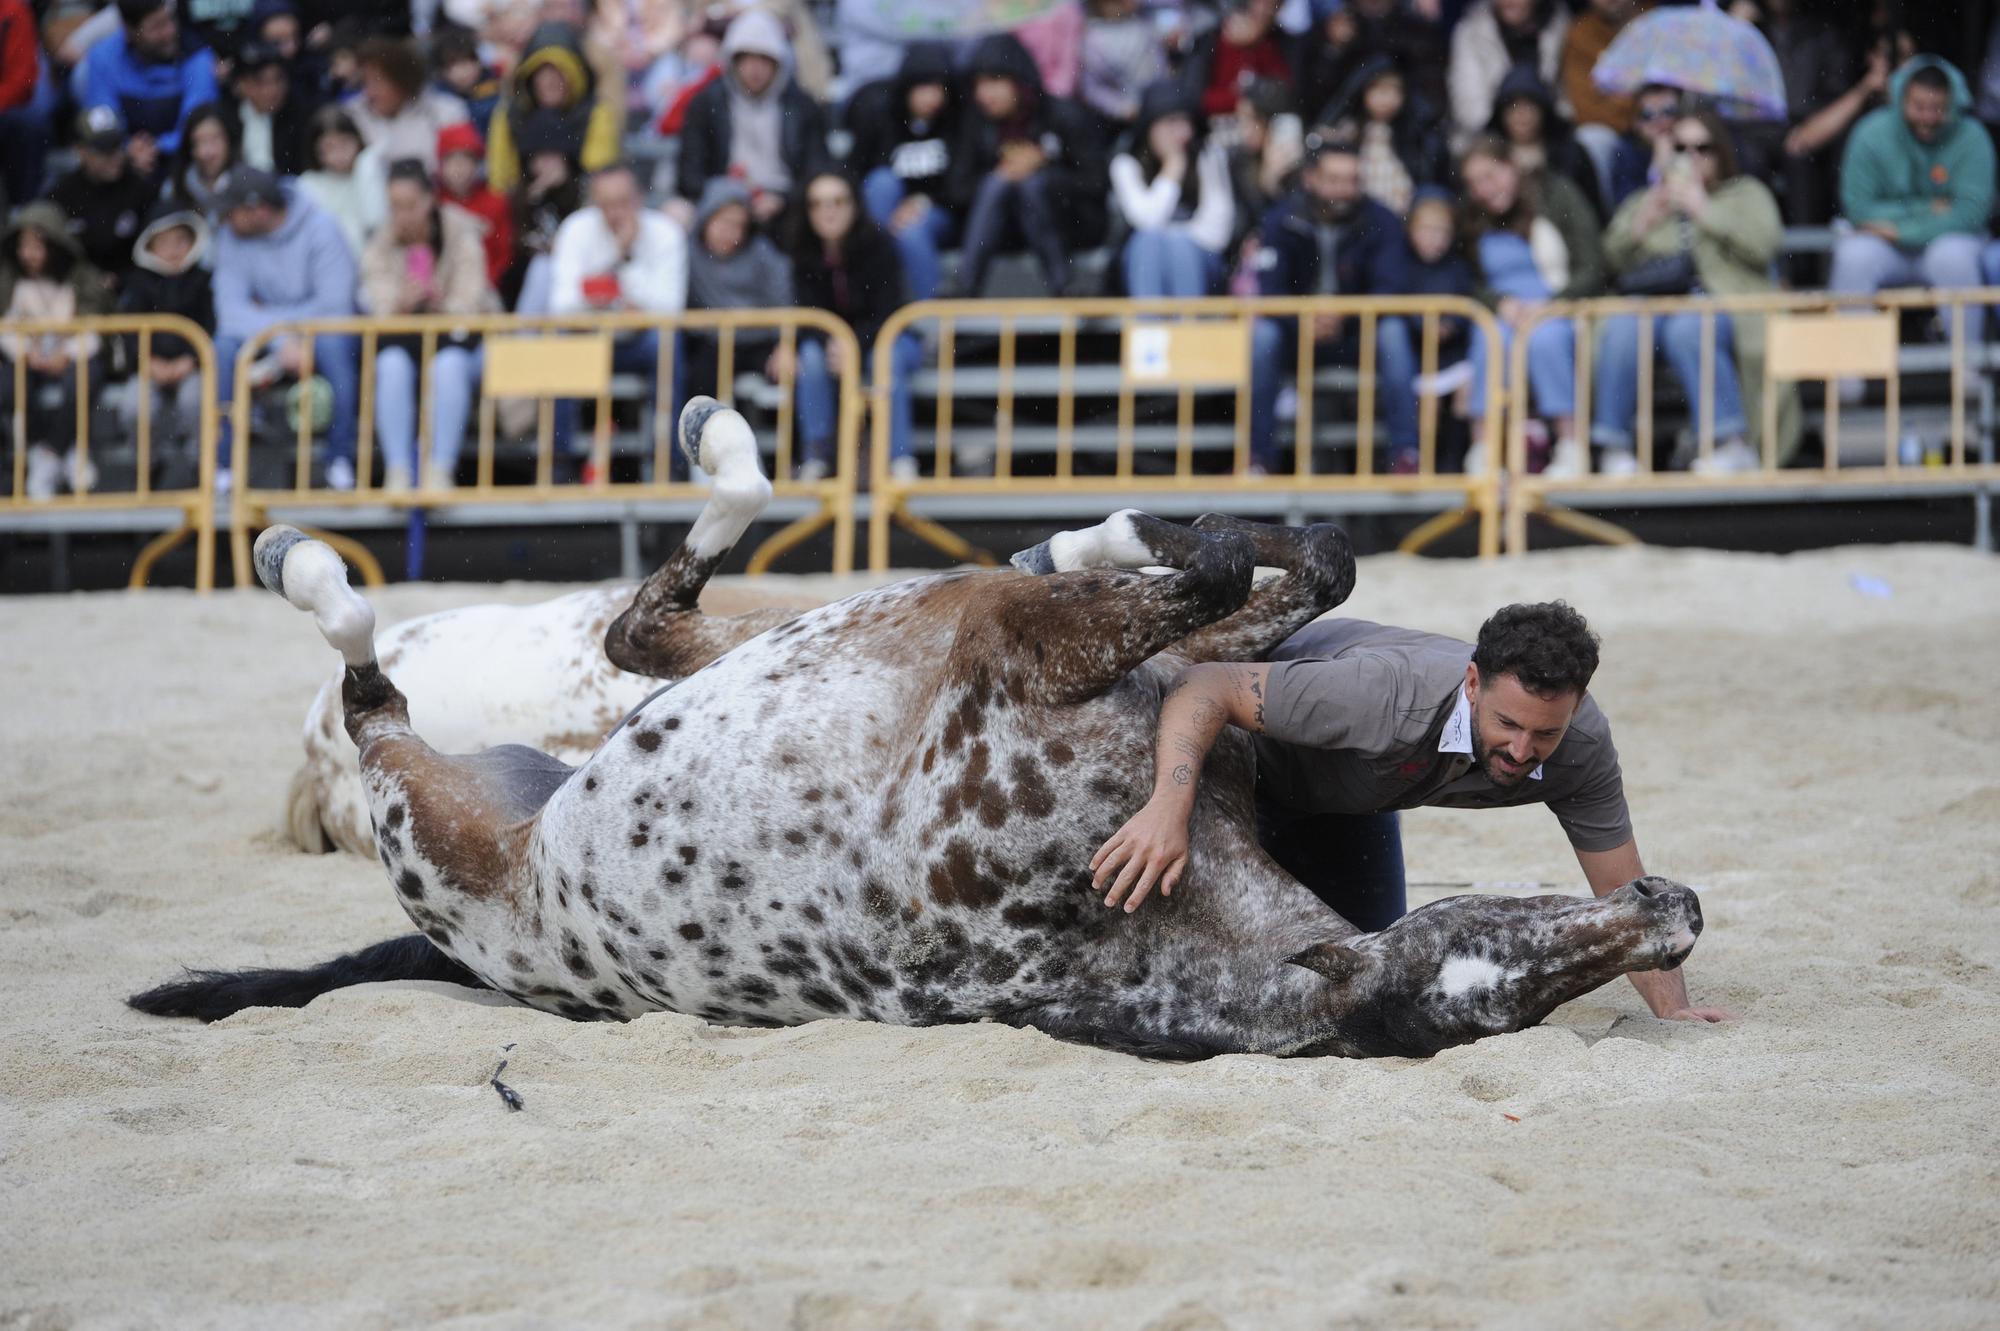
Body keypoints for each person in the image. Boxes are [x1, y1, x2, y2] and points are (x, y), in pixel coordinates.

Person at [1090, 600, 1732, 1025]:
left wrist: (1671, 1009)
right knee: (1220, 980)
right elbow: (1205, 684)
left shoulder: (1582, 748)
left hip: (1352, 803)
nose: (1521, 749)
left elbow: (1620, 885)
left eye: (1544, 734)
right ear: (1472, 684)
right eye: (1507, 724)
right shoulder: (1383, 696)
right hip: (1240, 775)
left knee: (1364, 974)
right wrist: (1167, 809)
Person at [1593, 109, 1795, 476]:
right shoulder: (1649, 199)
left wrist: (1704, 208)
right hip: (1655, 307)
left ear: (1721, 151)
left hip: (1728, 308)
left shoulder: (1745, 193)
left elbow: (1766, 245)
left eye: (1703, 148)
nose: (1692, 158)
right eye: (1680, 148)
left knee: (1690, 325)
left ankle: (1729, 442)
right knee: (1622, 323)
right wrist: (1641, 223)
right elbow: (1609, 260)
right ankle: (1613, 446)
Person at [1246, 138, 1420, 474]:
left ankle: (1406, 452)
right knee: (1263, 337)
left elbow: (1392, 286)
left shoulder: (1380, 220)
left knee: (1394, 333)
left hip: (1358, 334)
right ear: (1311, 179)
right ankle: (1258, 459)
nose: (1345, 190)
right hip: (1296, 336)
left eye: (1353, 181)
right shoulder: (1280, 219)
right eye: (1335, 180)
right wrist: (1304, 320)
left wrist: (1346, 314)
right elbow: (1270, 289)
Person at [1457, 134, 1606, 478]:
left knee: (1544, 340)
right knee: (1489, 340)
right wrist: (1499, 303)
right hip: (1504, 311)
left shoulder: (1557, 195)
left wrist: (1552, 305)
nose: (1484, 189)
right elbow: (1468, 278)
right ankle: (1484, 447)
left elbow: (1592, 265)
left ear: (1511, 167)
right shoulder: (1473, 215)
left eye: (1490, 176)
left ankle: (1570, 444)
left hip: (1557, 305)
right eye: (1475, 182)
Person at [210, 167, 361, 490]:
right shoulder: (230, 236)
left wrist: (274, 322)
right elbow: (228, 311)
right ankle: (224, 463)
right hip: (268, 335)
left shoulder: (321, 227)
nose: (224, 220)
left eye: (231, 211)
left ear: (259, 209)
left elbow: (336, 305)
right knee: (222, 348)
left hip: (319, 332)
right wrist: (281, 340)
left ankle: (340, 457)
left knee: (338, 344)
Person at [360, 159, 500, 492]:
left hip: (460, 342)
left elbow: (473, 298)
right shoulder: (380, 243)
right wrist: (401, 302)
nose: (403, 215)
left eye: (410, 205)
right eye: (395, 206)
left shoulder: (462, 233)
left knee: (447, 366)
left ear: (429, 200)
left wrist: (442, 304)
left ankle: (440, 469)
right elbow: (376, 305)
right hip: (405, 341)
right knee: (390, 365)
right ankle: (398, 471)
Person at [945, 32, 1109, 297]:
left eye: (995, 81)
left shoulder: (1063, 115)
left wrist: (1045, 165)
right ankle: (966, 285)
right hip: (1004, 228)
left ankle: (1063, 283)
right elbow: (957, 190)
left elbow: (1096, 181)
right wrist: (1003, 173)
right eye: (978, 84)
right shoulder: (977, 125)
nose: (984, 93)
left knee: (1032, 185)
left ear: (1020, 81)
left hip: (1068, 223)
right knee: (998, 183)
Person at [783, 170, 921, 482]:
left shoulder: (881, 245)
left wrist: (852, 344)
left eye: (837, 201)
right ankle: (817, 456)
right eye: (817, 204)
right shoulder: (802, 253)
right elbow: (806, 314)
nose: (828, 211)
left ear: (854, 205)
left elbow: (890, 311)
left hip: (888, 337)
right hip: (830, 344)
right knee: (810, 357)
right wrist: (832, 342)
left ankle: (899, 459)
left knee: (888, 357)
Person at [547, 163, 687, 467]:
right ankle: (559, 462)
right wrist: (616, 269)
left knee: (668, 345)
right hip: (586, 339)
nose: (615, 213)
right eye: (606, 204)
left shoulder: (665, 232)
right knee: (557, 345)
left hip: (640, 341)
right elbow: (560, 305)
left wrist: (622, 274)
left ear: (638, 198)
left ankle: (668, 460)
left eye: (623, 202)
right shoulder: (576, 228)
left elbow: (670, 309)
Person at [1831, 56, 1994, 316]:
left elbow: (1971, 213)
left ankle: (1965, 357)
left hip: (1942, 242)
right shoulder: (1870, 133)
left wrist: (1899, 230)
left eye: (1937, 107)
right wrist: (1929, 208)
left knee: (1954, 258)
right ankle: (1857, 356)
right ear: (1901, 100)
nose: (1928, 117)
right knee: (1854, 256)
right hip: (1889, 248)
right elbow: (1858, 207)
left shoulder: (1973, 137)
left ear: (1951, 103)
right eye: (1919, 106)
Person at [671, 10, 830, 235]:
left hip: (786, 204)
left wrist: (782, 199)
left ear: (779, 63)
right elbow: (689, 173)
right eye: (747, 58)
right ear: (732, 60)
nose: (755, 68)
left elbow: (816, 169)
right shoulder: (707, 103)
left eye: (764, 59)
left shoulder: (802, 107)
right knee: (676, 213)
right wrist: (728, 198)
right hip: (720, 199)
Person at [0, 204, 107, 499]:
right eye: (23, 246)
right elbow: (6, 327)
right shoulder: (12, 282)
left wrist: (68, 353)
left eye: (37, 246)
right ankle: (41, 449)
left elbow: (97, 328)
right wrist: (26, 353)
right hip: (28, 360)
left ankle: (56, 450)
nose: (28, 255)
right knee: (9, 386)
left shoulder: (80, 279)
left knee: (84, 379)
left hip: (72, 358)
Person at [847, 42, 960, 303]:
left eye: (938, 88)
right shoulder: (882, 119)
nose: (932, 97)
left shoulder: (956, 122)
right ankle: (876, 296)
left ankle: (932, 320)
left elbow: (963, 183)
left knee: (912, 231)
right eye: (924, 86)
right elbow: (855, 171)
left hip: (941, 211)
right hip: (886, 213)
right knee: (881, 182)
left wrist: (922, 202)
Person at [115, 202, 215, 478]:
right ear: (150, 246)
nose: (173, 251)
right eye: (164, 243)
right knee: (134, 406)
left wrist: (192, 360)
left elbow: (210, 325)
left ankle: (202, 464)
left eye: (180, 241)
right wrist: (146, 362)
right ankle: (147, 464)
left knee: (197, 400)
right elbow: (129, 329)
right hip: (150, 366)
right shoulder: (138, 283)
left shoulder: (204, 281)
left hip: (192, 366)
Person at [1110, 80, 1234, 298]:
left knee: (1179, 246)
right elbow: (1146, 221)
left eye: (1186, 122)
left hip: (1201, 261)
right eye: (1171, 123)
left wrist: (1176, 239)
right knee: (1147, 242)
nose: (1182, 132)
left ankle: (1186, 329)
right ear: (1150, 126)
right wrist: (1173, 167)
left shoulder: (1209, 156)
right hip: (1145, 262)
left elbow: (1218, 232)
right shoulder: (1126, 163)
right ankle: (1150, 329)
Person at [684, 176, 791, 410]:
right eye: (722, 222)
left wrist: (785, 344)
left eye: (737, 225)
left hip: (761, 342)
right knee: (699, 381)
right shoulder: (688, 253)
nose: (728, 232)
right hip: (715, 344)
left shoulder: (763, 254)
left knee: (789, 375)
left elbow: (784, 300)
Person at [81, 0, 221, 180]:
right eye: (157, 26)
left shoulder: (197, 56)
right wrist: (126, 147)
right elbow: (103, 117)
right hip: (124, 160)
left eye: (170, 20)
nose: (169, 32)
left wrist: (156, 147)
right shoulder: (103, 56)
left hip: (181, 159)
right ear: (130, 30)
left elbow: (196, 122)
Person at [484, 20, 623, 195]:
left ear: (574, 76)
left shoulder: (596, 113)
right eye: (543, 73)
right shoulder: (511, 115)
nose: (550, 81)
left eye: (559, 71)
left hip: (581, 207)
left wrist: (566, 179)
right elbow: (500, 183)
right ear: (530, 77)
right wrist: (527, 194)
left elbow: (601, 179)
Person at [46, 106, 157, 294]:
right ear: (80, 151)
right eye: (104, 150)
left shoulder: (141, 190)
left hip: (133, 291)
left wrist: (123, 279)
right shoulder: (61, 195)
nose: (115, 157)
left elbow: (154, 250)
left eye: (117, 146)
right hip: (75, 291)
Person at [1322, 57, 1450, 219]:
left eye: (1395, 91)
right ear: (1364, 92)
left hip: (1402, 213)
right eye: (1380, 91)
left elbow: (1424, 172)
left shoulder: (1413, 132)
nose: (1387, 99)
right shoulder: (1348, 130)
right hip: (1360, 215)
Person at [1295, 0, 1447, 128]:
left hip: (1404, 133)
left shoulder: (1418, 31)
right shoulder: (1329, 30)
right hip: (1345, 133)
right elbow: (1313, 102)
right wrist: (1334, 49)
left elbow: (1432, 103)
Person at [1447, 0, 1569, 149]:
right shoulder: (1471, 31)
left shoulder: (1562, 26)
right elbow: (1470, 109)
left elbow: (1567, 102)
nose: (1509, 2)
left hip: (1550, 138)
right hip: (1490, 140)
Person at [1558, 0, 1644, 207]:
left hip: (1659, 124)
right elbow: (1584, 108)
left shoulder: (1656, 20)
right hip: (1615, 130)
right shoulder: (1581, 32)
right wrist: (1632, 111)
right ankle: (1610, 223)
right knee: (1591, 138)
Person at [348, 36, 469, 171]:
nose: (369, 92)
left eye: (378, 82)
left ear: (402, 82)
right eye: (365, 82)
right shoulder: (352, 116)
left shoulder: (445, 112)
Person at [297, 105, 385, 260]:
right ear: (317, 151)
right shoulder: (308, 184)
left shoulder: (369, 171)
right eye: (329, 147)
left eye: (344, 143)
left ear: (357, 141)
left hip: (374, 256)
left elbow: (375, 219)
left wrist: (366, 168)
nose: (339, 154)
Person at [436, 122, 515, 290]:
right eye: (451, 160)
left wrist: (485, 283)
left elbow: (503, 254)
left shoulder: (495, 203)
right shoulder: (434, 203)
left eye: (466, 159)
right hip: (442, 290)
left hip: (486, 288)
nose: (459, 168)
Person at [1183, 0, 1291, 120]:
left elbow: (1282, 87)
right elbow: (1198, 98)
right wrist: (1238, 100)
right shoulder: (1209, 44)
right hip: (1218, 122)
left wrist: (1258, 45)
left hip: (1261, 120)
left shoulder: (1270, 44)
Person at [226, 39, 313, 175]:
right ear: (241, 84)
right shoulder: (228, 119)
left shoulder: (301, 117)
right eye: (261, 82)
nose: (272, 90)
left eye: (278, 80)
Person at [1077, 0, 1167, 127]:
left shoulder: (1142, 24)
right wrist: (1121, 108)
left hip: (1158, 103)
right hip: (1128, 116)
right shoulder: (1093, 39)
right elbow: (1092, 89)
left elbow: (1159, 65)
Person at [0, 0, 50, 207]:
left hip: (5, 110)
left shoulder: (12, 10)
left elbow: (22, 81)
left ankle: (23, 208)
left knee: (29, 121)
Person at [166, 101, 239, 216]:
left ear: (229, 141)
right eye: (200, 142)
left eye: (215, 139)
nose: (208, 152)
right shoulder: (174, 189)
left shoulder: (248, 183)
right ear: (190, 148)